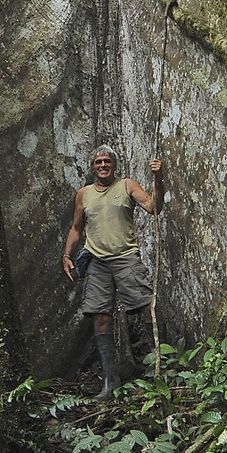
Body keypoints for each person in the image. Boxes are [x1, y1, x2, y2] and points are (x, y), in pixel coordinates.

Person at [62, 146, 164, 399]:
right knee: (100, 316)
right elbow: (76, 228)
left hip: (125, 257)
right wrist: (67, 255)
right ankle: (110, 380)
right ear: (93, 166)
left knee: (147, 306)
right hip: (97, 262)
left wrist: (159, 179)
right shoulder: (83, 194)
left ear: (114, 166)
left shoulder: (127, 185)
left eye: (107, 161)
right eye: (98, 162)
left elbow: (153, 207)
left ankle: (162, 370)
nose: (102, 165)